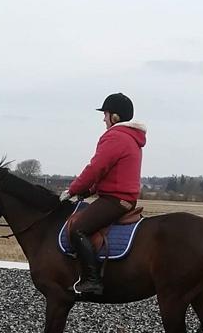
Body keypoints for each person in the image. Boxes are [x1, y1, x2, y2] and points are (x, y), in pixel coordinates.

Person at [61, 92, 146, 298]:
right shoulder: (131, 138)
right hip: (120, 198)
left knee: (79, 229)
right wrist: (87, 191)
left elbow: (95, 168)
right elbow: (108, 174)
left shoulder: (116, 136)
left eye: (105, 114)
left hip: (114, 200)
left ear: (114, 117)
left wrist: (71, 190)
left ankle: (92, 281)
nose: (103, 119)